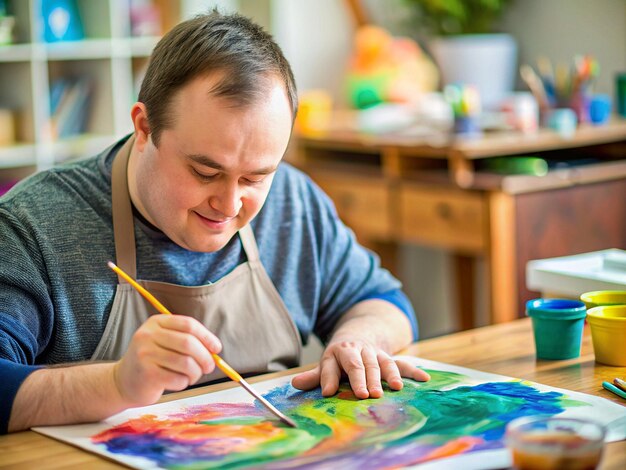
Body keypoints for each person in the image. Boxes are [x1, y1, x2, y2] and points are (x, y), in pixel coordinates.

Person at [0, 11, 429, 434]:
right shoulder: (36, 225)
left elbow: (382, 300)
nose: (228, 204)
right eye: (206, 173)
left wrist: (360, 341)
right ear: (145, 127)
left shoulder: (292, 201)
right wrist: (116, 383)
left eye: (255, 177)